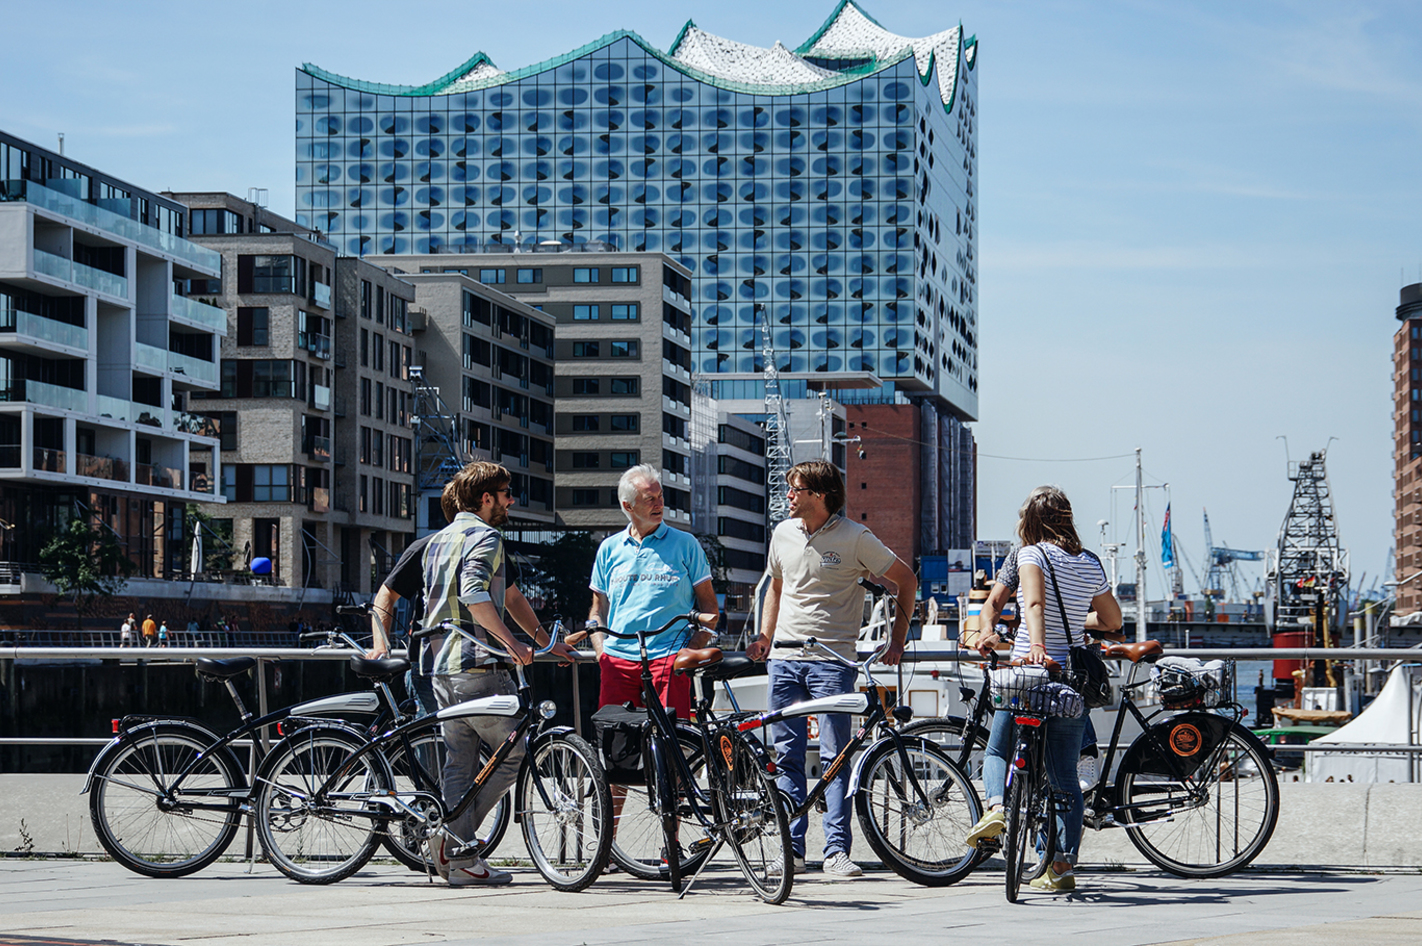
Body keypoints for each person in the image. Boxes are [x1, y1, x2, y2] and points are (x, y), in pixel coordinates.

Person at [746, 460, 918, 878]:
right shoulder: (782, 533)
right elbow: (776, 587)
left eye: (796, 489)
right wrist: (764, 637)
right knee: (785, 756)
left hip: (832, 661)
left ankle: (837, 851)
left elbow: (906, 581)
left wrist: (897, 641)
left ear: (819, 495)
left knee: (835, 757)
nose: (788, 496)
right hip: (785, 660)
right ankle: (794, 849)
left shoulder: (856, 537)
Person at [964, 486, 1123, 893]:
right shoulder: (1090, 562)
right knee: (1064, 777)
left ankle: (998, 809)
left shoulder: (1030, 554)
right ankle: (1061, 866)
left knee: (998, 750)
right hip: (1069, 678)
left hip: (1029, 672)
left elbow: (1028, 606)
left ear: (1029, 521)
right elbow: (1110, 620)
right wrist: (1072, 621)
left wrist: (1035, 643)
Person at [424, 461, 574, 887]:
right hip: (479, 665)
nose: (512, 501)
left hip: (438, 666)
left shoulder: (440, 539)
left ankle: (460, 857)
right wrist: (513, 645)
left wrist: (546, 640)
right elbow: (475, 594)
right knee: (514, 754)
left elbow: (509, 596)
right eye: (507, 493)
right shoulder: (487, 536)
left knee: (459, 762)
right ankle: (453, 841)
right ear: (486, 498)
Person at [978, 546, 1125, 791]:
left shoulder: (1033, 555)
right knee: (1062, 771)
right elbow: (996, 604)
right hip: (1062, 660)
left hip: (1054, 659)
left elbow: (1002, 603)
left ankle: (1085, 752)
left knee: (1004, 748)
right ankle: (1084, 756)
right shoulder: (1024, 556)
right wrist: (990, 629)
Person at [586, 463, 718, 721]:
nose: (659, 504)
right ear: (628, 506)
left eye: (660, 497)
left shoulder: (686, 545)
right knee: (616, 744)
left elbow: (710, 610)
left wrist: (690, 650)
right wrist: (602, 653)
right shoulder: (609, 548)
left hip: (669, 660)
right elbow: (597, 609)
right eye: (650, 499)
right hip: (617, 662)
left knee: (673, 743)